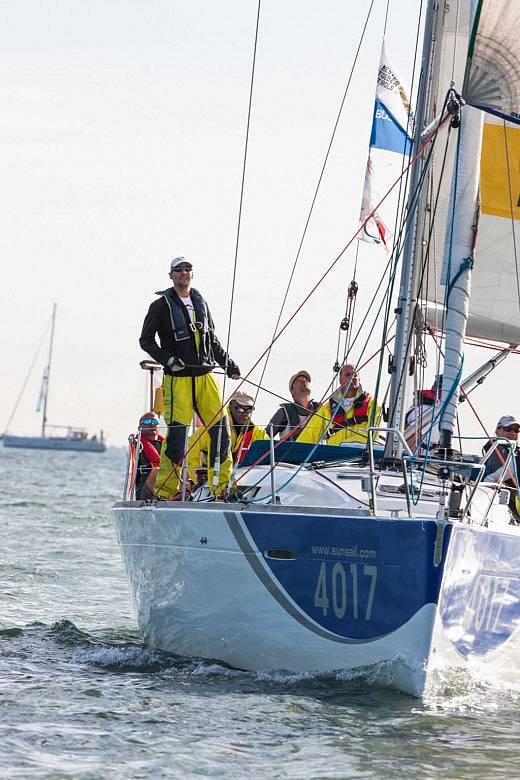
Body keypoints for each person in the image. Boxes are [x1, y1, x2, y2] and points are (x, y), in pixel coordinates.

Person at [139, 257, 240, 499]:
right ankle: (165, 491)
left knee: (221, 432)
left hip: (205, 377)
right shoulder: (160, 306)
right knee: (177, 437)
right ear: (171, 275)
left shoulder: (200, 302)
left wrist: (228, 365)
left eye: (188, 269)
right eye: (179, 269)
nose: (184, 272)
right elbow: (145, 340)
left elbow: (211, 339)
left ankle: (220, 488)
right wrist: (168, 360)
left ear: (192, 274)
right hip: (178, 380)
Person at [187, 390, 267, 491]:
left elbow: (269, 451)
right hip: (210, 484)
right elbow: (191, 456)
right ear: (231, 407)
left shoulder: (257, 432)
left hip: (243, 483)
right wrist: (199, 483)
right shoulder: (211, 429)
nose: (245, 414)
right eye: (240, 409)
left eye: (249, 410)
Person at [297, 363, 381, 446]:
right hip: (335, 454)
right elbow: (308, 435)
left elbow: (373, 434)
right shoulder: (327, 408)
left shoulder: (372, 405)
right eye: (347, 375)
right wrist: (295, 450)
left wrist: (344, 444)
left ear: (359, 379)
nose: (352, 377)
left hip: (360, 453)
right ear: (340, 379)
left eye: (355, 375)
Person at [483, 415, 520, 522]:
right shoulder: (496, 447)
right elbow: (493, 477)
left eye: (516, 430)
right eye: (508, 429)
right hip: (511, 498)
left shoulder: (514, 450)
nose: (512, 433)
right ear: (497, 431)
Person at [267, 370, 320, 440]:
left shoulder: (320, 409)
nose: (304, 381)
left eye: (306, 380)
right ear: (291, 390)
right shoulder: (284, 412)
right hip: (291, 447)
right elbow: (266, 436)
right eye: (299, 380)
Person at [404, 375, 442, 449]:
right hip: (418, 450)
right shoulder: (426, 410)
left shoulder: (439, 409)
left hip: (432, 450)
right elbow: (412, 435)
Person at [135, 413, 164, 500]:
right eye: (147, 421)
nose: (152, 424)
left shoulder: (166, 445)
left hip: (167, 484)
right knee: (156, 470)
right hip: (144, 491)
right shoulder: (137, 446)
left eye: (155, 421)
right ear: (140, 427)